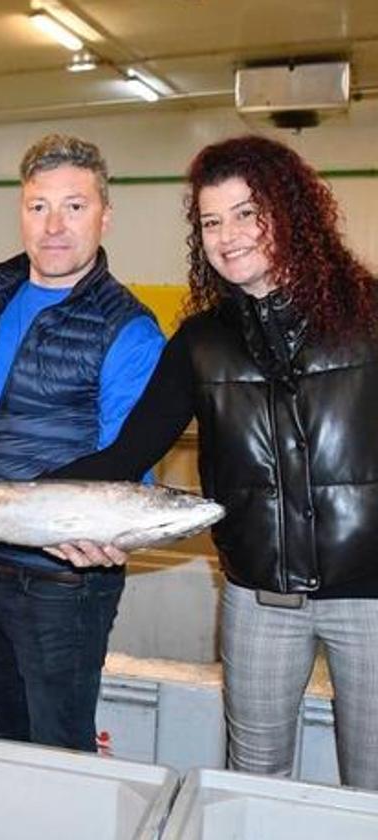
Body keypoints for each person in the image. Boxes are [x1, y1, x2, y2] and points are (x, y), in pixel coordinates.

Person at [48, 135, 378, 789]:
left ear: (290, 213)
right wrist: (9, 496)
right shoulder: (201, 343)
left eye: (247, 213)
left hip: (373, 599)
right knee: (252, 780)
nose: (229, 236)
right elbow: (125, 454)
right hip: (261, 598)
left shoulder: (368, 317)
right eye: (211, 221)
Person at [0, 134, 166, 751]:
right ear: (20, 211)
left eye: (74, 206)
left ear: (105, 215)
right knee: (6, 735)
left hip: (66, 587)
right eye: (37, 206)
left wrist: (113, 534)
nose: (53, 226)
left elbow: (131, 465)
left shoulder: (128, 328)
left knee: (60, 749)